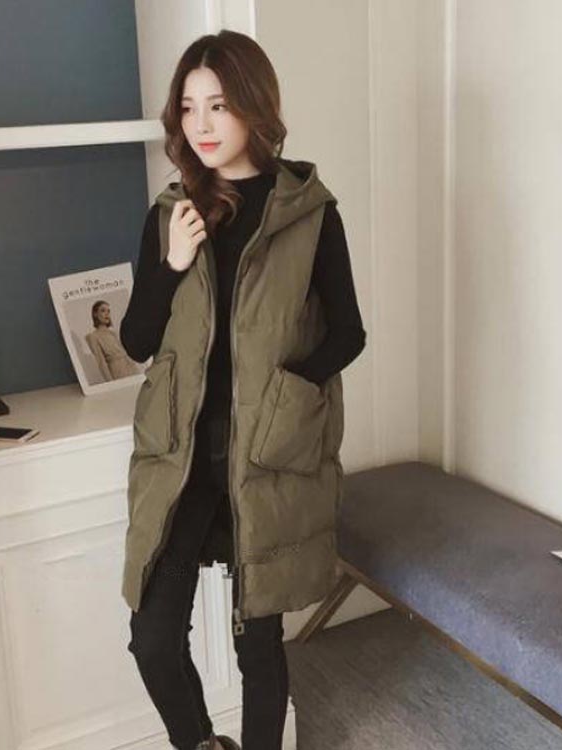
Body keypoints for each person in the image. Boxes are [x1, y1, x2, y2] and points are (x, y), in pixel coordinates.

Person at [120, 29, 366, 750]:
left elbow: (347, 333)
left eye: (218, 105)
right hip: (181, 461)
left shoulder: (309, 214)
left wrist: (287, 401)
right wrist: (172, 262)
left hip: (266, 459)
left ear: (254, 107)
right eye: (188, 106)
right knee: (153, 639)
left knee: (257, 648)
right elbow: (136, 340)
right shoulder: (172, 215)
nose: (200, 124)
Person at [85, 300, 141, 381]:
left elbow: (124, 352)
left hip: (131, 367)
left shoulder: (112, 333)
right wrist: (111, 383)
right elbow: (101, 363)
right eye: (103, 311)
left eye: (108, 311)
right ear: (95, 314)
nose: (107, 314)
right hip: (117, 371)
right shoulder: (93, 337)